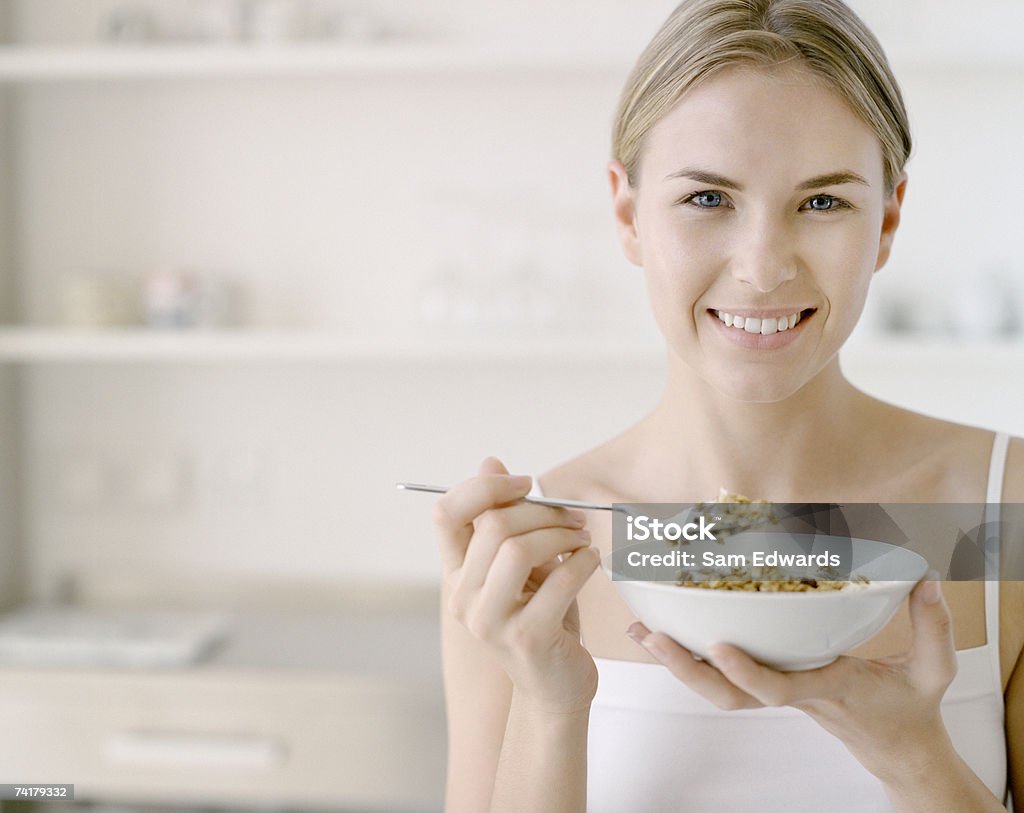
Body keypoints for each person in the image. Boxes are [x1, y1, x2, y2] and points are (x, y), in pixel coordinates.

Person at [433, 1, 1024, 810]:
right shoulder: (528, 561)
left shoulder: (1006, 512)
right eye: (708, 199)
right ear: (628, 213)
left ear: (886, 219)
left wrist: (914, 757)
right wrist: (551, 707)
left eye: (822, 202)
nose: (762, 268)